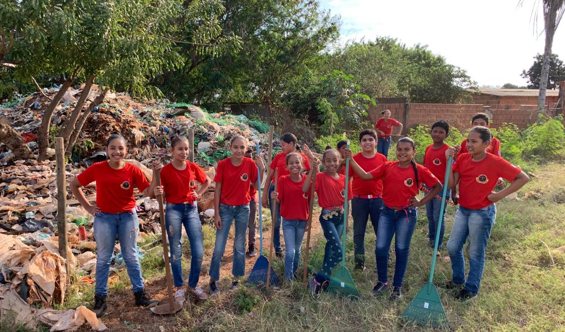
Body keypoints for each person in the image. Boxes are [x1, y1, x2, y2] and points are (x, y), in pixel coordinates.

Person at [70, 134, 159, 318]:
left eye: (121, 148)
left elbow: (148, 193)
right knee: (103, 258)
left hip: (128, 217)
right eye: (113, 148)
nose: (117, 152)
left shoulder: (133, 170)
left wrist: (156, 178)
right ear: (107, 150)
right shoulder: (97, 168)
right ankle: (100, 300)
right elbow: (74, 184)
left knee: (131, 255)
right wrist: (87, 206)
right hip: (104, 218)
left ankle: (140, 294)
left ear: (126, 150)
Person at [347, 138, 442, 300]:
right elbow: (365, 175)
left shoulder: (419, 170)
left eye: (406, 149)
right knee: (380, 248)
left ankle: (397, 286)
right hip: (387, 213)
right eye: (399, 149)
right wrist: (350, 160)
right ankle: (382, 282)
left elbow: (438, 185)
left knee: (401, 249)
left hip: (406, 214)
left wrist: (421, 202)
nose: (402, 153)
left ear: (414, 151)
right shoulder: (387, 166)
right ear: (395, 150)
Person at [444, 127, 529, 301]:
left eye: (474, 141)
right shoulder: (462, 158)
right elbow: (451, 184)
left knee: (475, 251)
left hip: (482, 212)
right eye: (468, 140)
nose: (469, 144)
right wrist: (448, 161)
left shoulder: (495, 161)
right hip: (463, 210)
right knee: (452, 247)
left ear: (486, 144)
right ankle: (458, 280)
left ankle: (471, 288)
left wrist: (499, 195)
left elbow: (523, 178)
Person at [153, 136, 211, 303]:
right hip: (173, 210)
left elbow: (207, 181)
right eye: (180, 149)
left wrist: (198, 194)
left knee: (198, 250)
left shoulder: (192, 167)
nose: (184, 152)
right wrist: (159, 193)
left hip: (191, 209)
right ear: (172, 151)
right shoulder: (165, 171)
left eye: (186, 149)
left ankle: (193, 285)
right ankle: (179, 287)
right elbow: (157, 193)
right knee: (176, 250)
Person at [209, 136, 264, 294]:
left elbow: (256, 186)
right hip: (225, 209)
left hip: (243, 209)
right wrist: (217, 214)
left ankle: (237, 278)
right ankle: (213, 279)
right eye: (235, 147)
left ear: (246, 148)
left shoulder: (250, 164)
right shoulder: (223, 165)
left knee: (239, 247)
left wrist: (262, 169)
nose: (239, 150)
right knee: (219, 247)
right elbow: (217, 190)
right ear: (230, 148)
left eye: (242, 147)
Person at [305, 149, 351, 293]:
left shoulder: (344, 178)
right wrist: (312, 170)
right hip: (327, 217)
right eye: (328, 161)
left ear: (340, 161)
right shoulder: (320, 177)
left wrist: (347, 220)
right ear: (324, 162)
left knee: (331, 248)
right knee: (339, 252)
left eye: (335, 160)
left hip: (341, 217)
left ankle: (325, 280)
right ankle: (318, 279)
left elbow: (347, 201)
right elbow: (305, 188)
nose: (332, 163)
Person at [261, 133, 310, 258]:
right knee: (276, 221)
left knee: (291, 219)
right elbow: (269, 177)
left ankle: (293, 248)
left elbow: (311, 173)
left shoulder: (301, 157)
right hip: (276, 190)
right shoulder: (278, 157)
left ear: (291, 144)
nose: (281, 147)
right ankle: (278, 249)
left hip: (293, 193)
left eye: (283, 145)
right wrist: (264, 194)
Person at [348, 130, 387, 271]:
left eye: (371, 139)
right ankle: (359, 262)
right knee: (359, 232)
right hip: (359, 200)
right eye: (364, 140)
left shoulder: (383, 159)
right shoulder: (354, 159)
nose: (367, 142)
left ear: (376, 142)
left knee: (381, 232)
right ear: (360, 143)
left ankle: (382, 260)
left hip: (378, 200)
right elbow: (347, 178)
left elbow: (386, 180)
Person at [271, 153, 311, 280]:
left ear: (302, 165)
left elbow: (310, 202)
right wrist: (274, 198)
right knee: (290, 251)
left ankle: (294, 273)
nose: (294, 165)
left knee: (298, 250)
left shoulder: (307, 180)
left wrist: (309, 220)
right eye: (291, 163)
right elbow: (279, 200)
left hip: (302, 220)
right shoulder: (282, 179)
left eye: (297, 162)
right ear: (287, 166)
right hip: (288, 220)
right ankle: (289, 280)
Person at [422, 120, 452, 250]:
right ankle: (432, 238)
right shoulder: (428, 148)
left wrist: (453, 191)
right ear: (430, 132)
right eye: (435, 131)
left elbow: (452, 171)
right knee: (429, 215)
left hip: (441, 188)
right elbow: (425, 168)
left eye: (441, 132)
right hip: (428, 187)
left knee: (438, 216)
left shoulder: (448, 151)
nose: (437, 134)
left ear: (446, 135)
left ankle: (438, 244)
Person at [244, 148, 258, 257]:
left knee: (251, 223)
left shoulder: (254, 167)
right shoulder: (239, 167)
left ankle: (251, 245)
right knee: (241, 224)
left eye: (250, 158)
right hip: (240, 200)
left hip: (251, 198)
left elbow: (257, 184)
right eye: (246, 157)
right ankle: (240, 245)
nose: (248, 160)